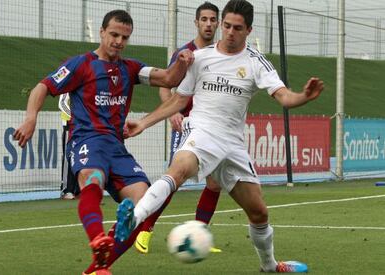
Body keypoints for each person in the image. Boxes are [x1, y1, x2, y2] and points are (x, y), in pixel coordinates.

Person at [116, 0, 324, 272]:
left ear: (249, 30)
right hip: (201, 131)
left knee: (259, 212)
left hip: (232, 144)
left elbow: (284, 97)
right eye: (226, 25)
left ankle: (270, 265)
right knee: (178, 170)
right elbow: (179, 100)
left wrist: (304, 97)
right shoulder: (200, 58)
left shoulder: (255, 62)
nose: (229, 32)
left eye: (237, 28)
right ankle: (135, 218)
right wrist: (144, 123)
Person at [13, 10, 193, 275]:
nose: (119, 41)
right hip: (86, 140)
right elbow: (43, 86)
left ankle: (97, 267)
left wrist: (183, 62)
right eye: (114, 35)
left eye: (124, 37)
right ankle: (98, 239)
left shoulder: (130, 69)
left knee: (143, 202)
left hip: (116, 147)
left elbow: (168, 78)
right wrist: (30, 119)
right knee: (93, 179)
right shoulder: (80, 64)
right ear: (101, 32)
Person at [134, 1, 222, 255]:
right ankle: (145, 230)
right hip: (185, 125)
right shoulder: (184, 53)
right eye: (203, 19)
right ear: (196, 22)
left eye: (212, 19)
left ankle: (198, 236)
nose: (208, 24)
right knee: (174, 179)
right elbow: (165, 87)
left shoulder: (220, 53)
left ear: (217, 23)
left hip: (211, 128)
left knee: (214, 184)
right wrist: (174, 113)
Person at [58, 93, 80, 200]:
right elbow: (62, 103)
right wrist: (73, 117)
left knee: (81, 158)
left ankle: (78, 190)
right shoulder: (66, 86)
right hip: (69, 127)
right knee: (68, 158)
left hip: (81, 128)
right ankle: (66, 190)